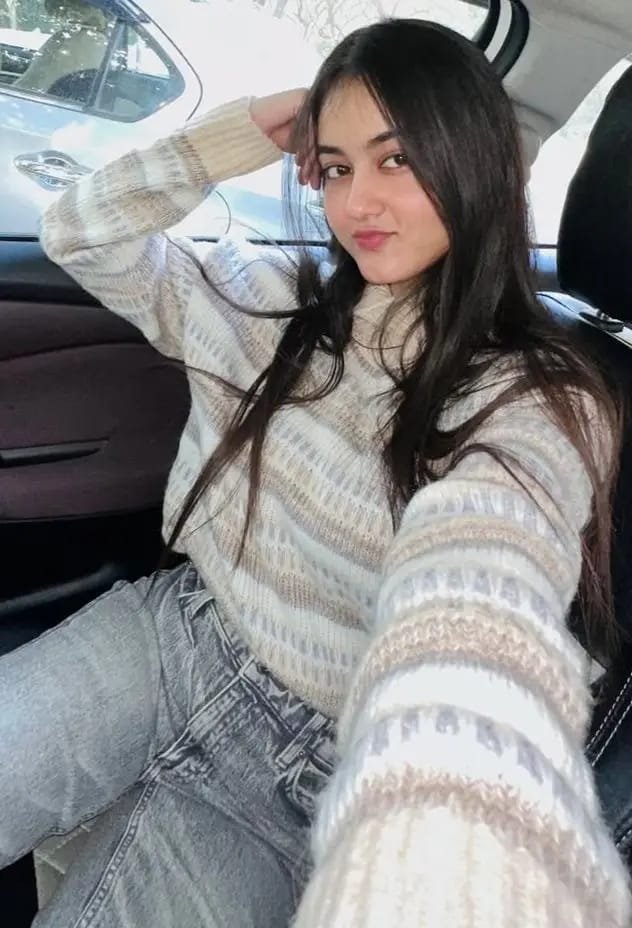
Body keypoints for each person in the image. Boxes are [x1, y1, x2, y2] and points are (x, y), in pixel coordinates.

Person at [1, 16, 630, 928]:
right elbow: (82, 232)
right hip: (177, 639)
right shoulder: (265, 298)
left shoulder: (544, 397)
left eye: (396, 159)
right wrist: (246, 130)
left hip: (309, 771)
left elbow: (484, 567)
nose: (357, 202)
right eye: (334, 167)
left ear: (476, 159)